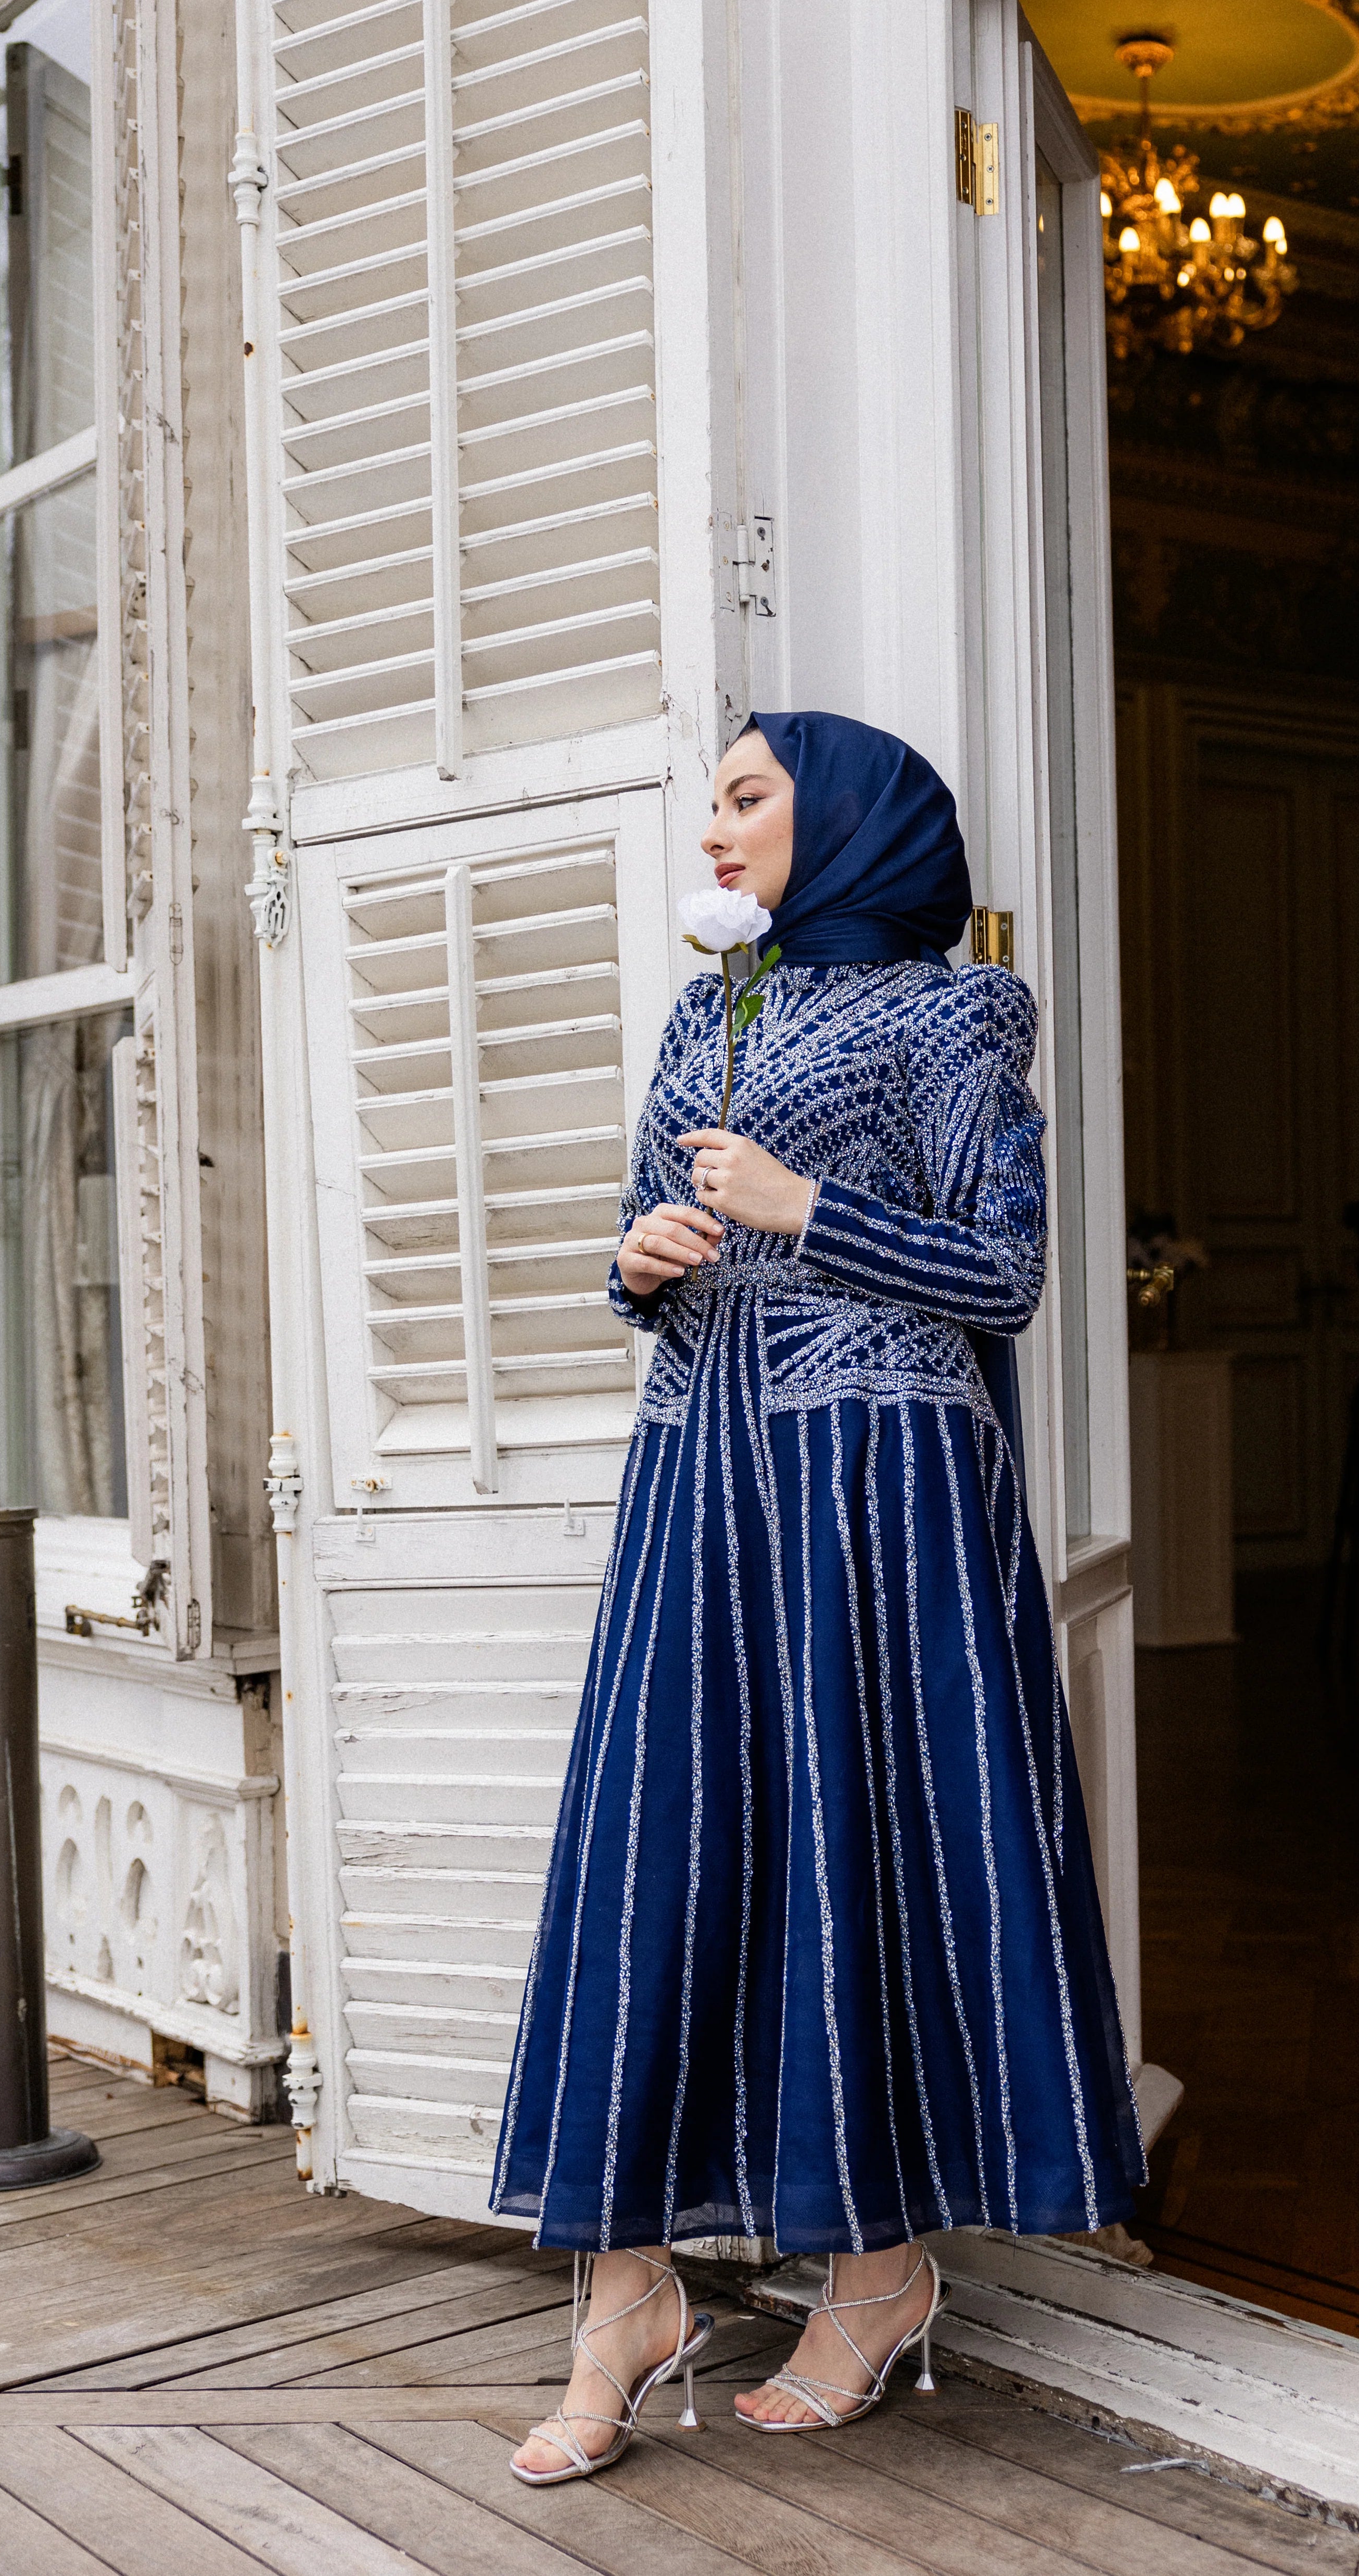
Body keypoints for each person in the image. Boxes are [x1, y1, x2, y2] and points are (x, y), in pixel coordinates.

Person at [493, 709, 1145, 2483]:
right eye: (710, 799)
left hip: (876, 1486)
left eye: (747, 796)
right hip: (701, 1471)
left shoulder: (956, 1011)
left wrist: (802, 1207)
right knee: (657, 1850)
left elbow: (1003, 1271)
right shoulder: (707, 1011)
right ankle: (624, 2289)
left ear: (842, 816)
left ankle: (874, 2273)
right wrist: (640, 1261)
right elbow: (650, 1224)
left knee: (853, 1846)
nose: (713, 825)